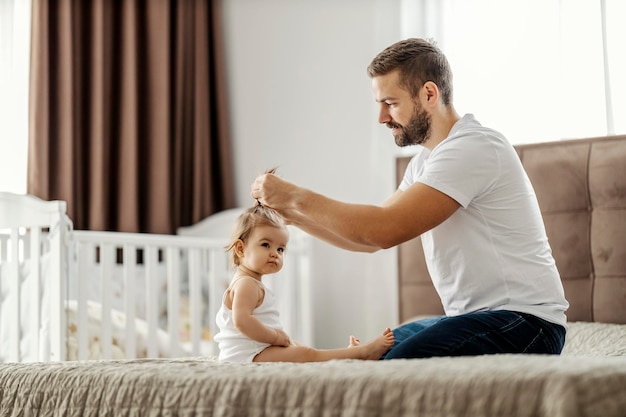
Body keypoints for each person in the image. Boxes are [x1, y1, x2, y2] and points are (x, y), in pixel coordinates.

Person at [250, 38, 569, 359]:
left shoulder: (474, 147)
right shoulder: (424, 163)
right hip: (473, 318)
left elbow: (383, 230)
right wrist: (293, 215)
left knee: (393, 366)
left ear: (429, 94)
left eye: (390, 103)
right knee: (370, 356)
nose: (381, 117)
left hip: (527, 322)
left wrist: (294, 196)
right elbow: (369, 242)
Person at [213, 204, 394, 363]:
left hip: (253, 350)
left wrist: (278, 339)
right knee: (304, 353)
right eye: (266, 245)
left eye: (280, 248)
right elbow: (242, 321)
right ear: (240, 248)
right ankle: (361, 353)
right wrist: (275, 337)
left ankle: (347, 354)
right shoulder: (246, 284)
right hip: (246, 356)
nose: (275, 253)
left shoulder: (249, 282)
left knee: (297, 346)